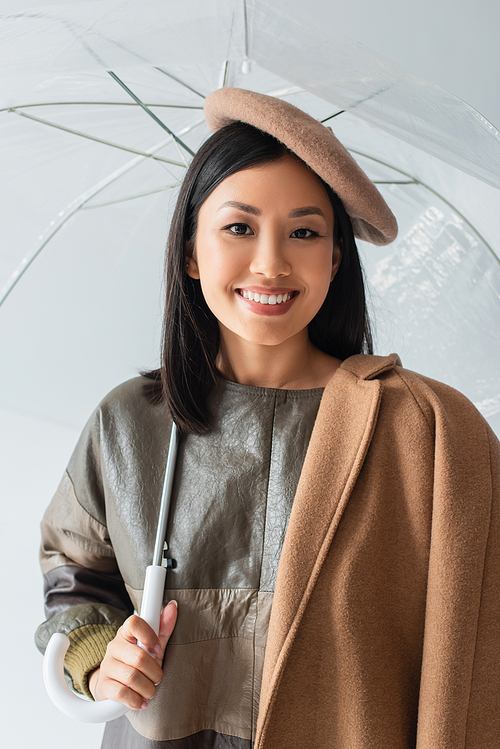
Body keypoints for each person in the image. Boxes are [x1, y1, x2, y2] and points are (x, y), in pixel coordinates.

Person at [36, 88, 500, 748]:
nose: (271, 262)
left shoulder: (421, 433)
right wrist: (100, 659)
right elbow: (76, 578)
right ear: (191, 251)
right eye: (239, 227)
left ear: (335, 259)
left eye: (305, 232)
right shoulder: (128, 423)